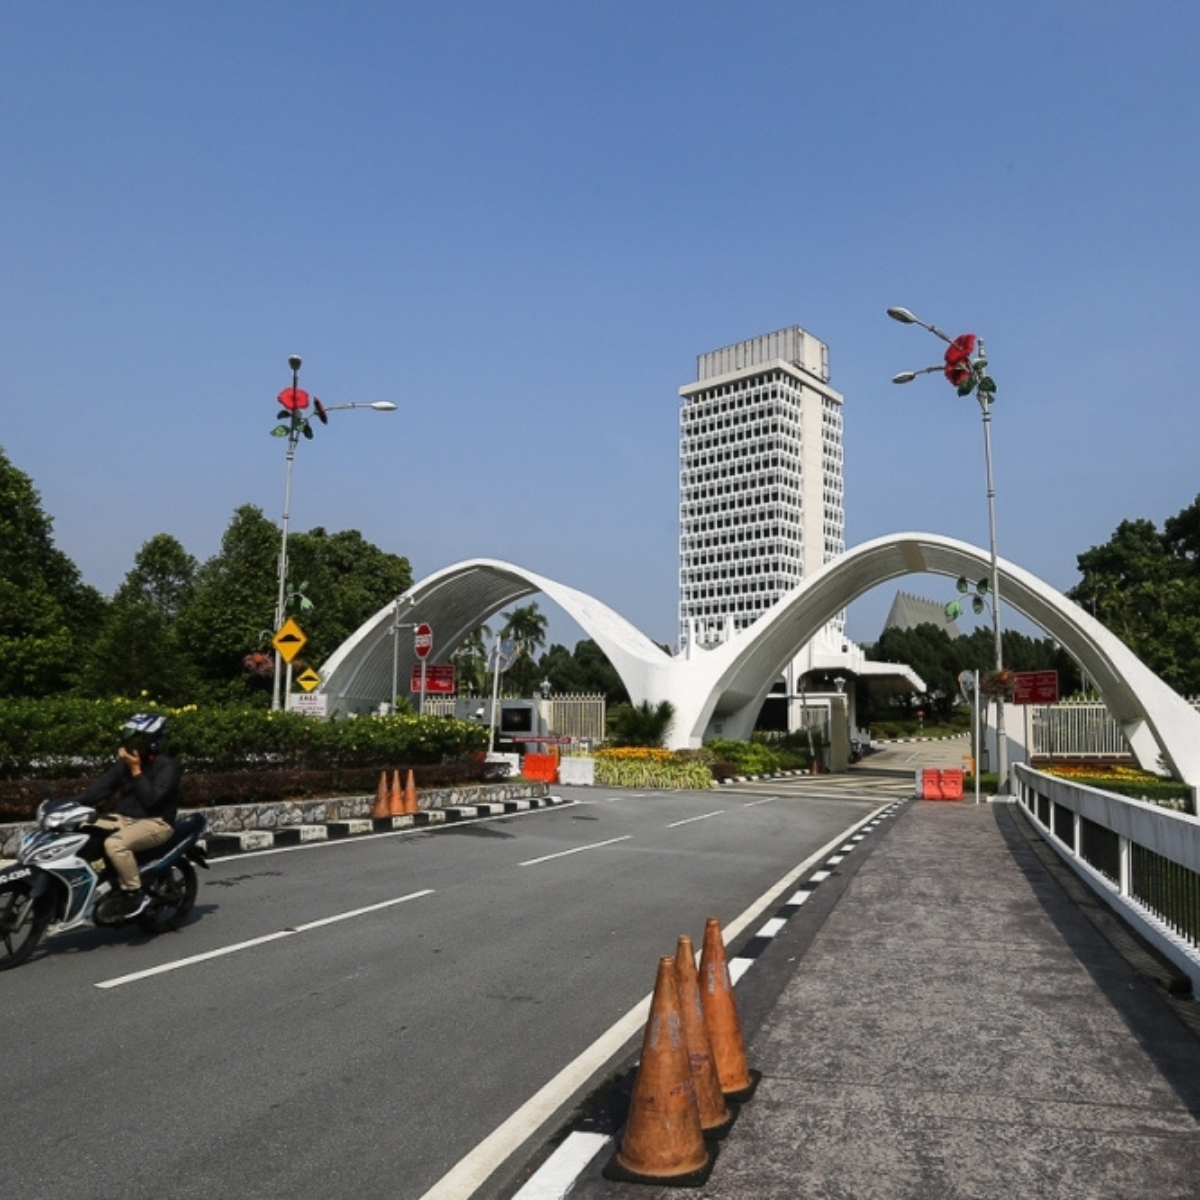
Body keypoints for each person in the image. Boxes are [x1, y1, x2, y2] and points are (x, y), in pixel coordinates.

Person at [77, 712, 181, 919]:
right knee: (80, 830)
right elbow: (97, 791)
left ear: (153, 740)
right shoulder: (123, 765)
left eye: (137, 739)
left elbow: (151, 800)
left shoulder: (167, 766)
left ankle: (134, 892)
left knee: (115, 844)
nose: (130, 743)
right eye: (128, 737)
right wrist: (67, 805)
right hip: (124, 819)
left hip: (156, 823)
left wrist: (136, 771)